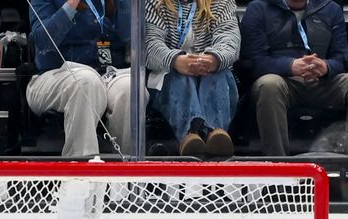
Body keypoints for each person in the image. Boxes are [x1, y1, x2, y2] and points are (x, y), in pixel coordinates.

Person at [239, 0, 348, 156]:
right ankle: (278, 163)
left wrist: (326, 67)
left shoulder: (331, 8)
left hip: (323, 80)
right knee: (269, 85)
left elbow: (341, 58)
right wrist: (290, 66)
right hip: (282, 81)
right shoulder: (259, 8)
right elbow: (252, 61)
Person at [27, 0, 141, 158]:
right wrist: (71, 4)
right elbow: (43, 42)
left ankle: (128, 173)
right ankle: (81, 174)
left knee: (130, 87)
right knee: (86, 81)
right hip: (54, 75)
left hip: (106, 74)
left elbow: (130, 39)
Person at [145, 0, 240, 157]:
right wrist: (175, 61)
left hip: (211, 72)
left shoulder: (222, 2)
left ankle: (216, 133)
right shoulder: (155, 3)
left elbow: (229, 38)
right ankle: (190, 134)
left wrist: (213, 59)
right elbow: (150, 44)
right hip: (169, 74)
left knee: (217, 74)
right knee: (180, 78)